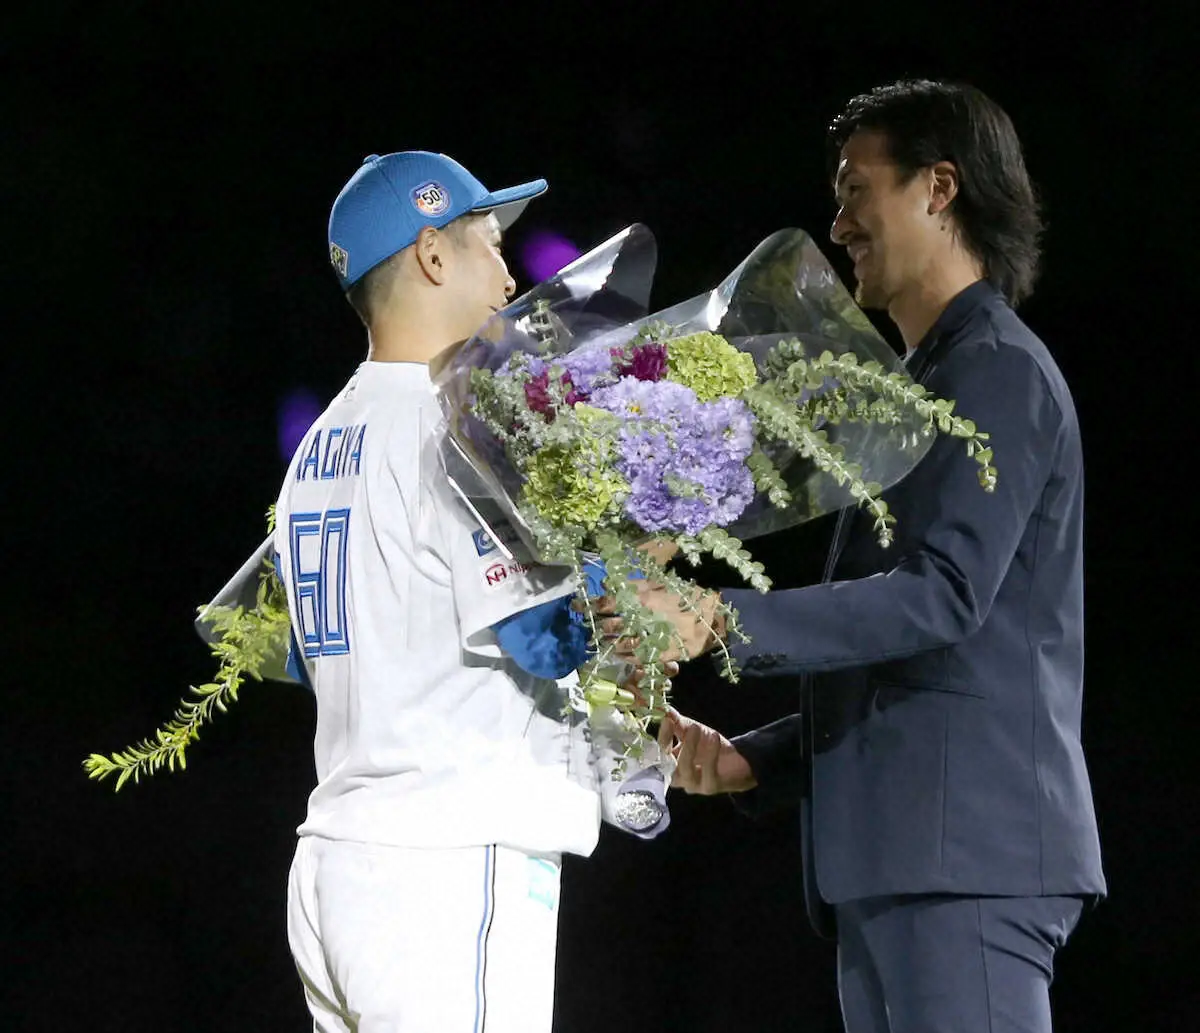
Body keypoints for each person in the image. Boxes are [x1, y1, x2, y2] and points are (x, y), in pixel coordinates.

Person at [611, 81, 1106, 1033]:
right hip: (897, 863)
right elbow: (920, 655)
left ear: (939, 188)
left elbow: (946, 598)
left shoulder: (995, 369)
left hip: (963, 864)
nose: (837, 224)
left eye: (855, 190)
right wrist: (751, 761)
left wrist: (719, 616)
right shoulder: (914, 390)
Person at [271, 150, 670, 1033]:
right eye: (488, 242)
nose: (507, 273)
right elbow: (543, 638)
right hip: (445, 863)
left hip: (338, 871)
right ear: (431, 256)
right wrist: (635, 562)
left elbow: (301, 653)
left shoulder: (315, 449)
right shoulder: (455, 420)